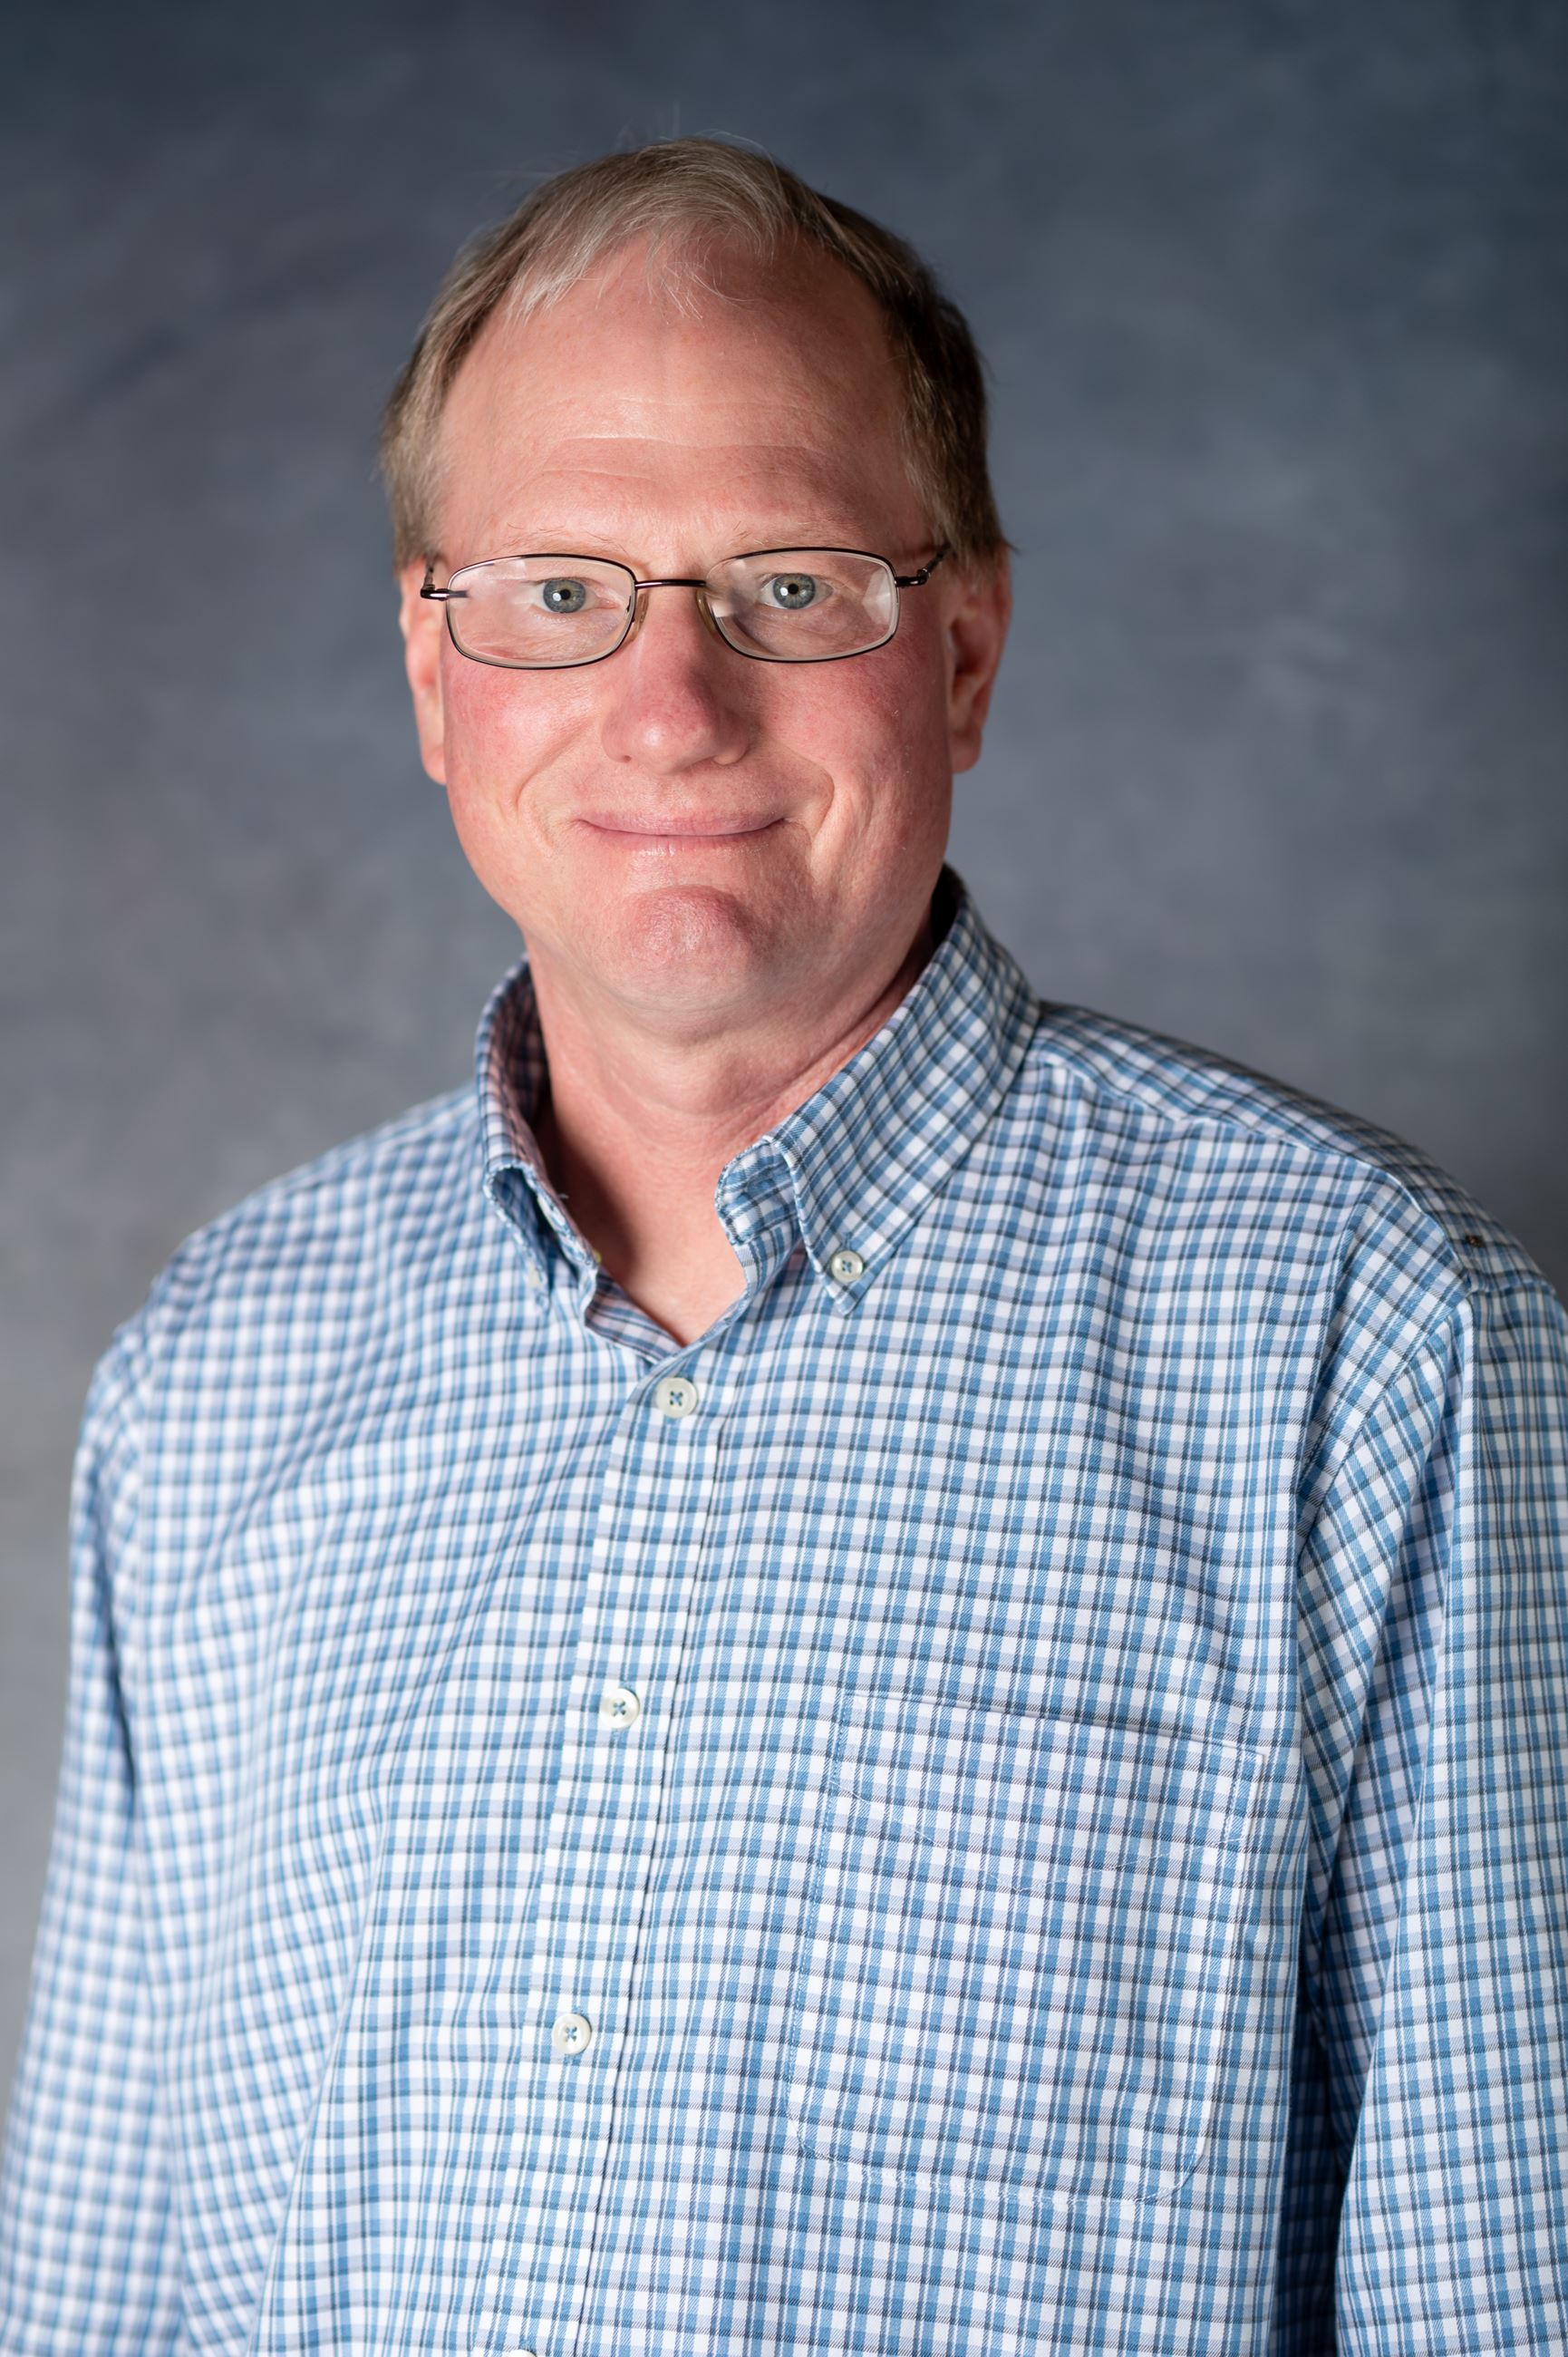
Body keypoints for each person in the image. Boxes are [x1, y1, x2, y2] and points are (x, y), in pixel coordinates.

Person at [2, 135, 1565, 2357]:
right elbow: (97, 2296)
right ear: (438, 681)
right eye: (558, 592)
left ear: (964, 655)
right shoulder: (210, 1378)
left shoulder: (1366, 1350)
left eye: (790, 583)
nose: (669, 704)